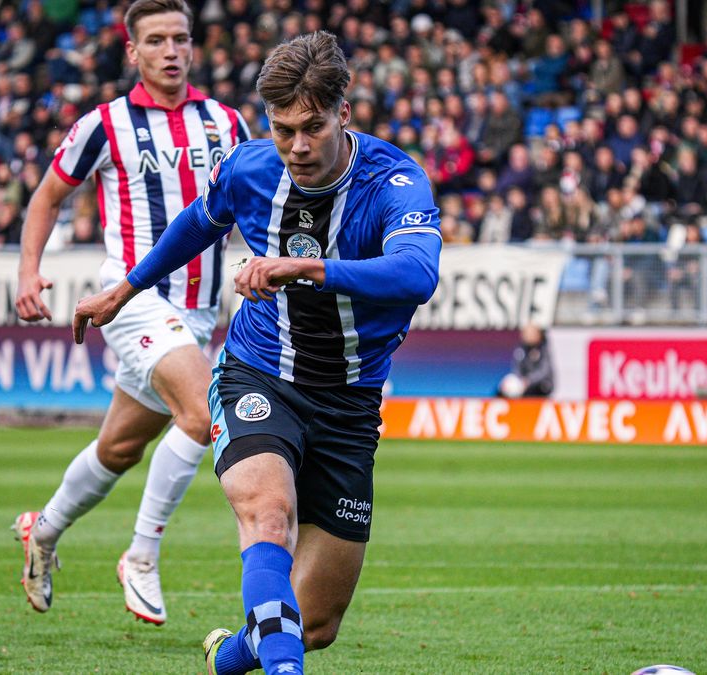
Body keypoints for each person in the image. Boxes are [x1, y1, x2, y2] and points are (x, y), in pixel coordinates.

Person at [71, 31, 441, 675]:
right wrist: (125, 290)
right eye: (282, 129)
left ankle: (234, 655)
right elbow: (198, 219)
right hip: (260, 374)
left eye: (312, 128)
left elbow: (417, 274)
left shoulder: (395, 181)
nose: (297, 146)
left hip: (350, 406)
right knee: (268, 512)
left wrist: (310, 269)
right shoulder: (250, 167)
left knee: (315, 623)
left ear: (343, 113)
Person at [10, 0, 251, 626]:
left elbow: (260, 199)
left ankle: (44, 532)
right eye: (156, 40)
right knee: (204, 412)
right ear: (132, 52)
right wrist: (28, 269)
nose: (171, 51)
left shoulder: (227, 122)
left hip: (197, 311)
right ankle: (141, 554)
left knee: (118, 449)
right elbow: (48, 195)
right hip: (130, 297)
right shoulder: (105, 124)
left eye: (181, 38)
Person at [497, 324, 555, 398]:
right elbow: (517, 368)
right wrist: (519, 381)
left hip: (540, 384)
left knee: (533, 390)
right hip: (523, 383)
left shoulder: (543, 349)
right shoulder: (521, 349)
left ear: (538, 335)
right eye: (526, 333)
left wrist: (529, 380)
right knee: (504, 389)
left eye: (531, 333)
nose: (527, 336)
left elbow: (544, 371)